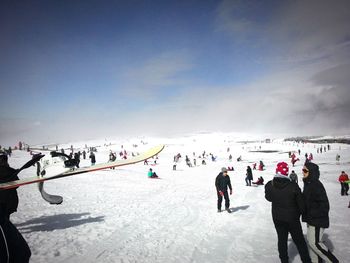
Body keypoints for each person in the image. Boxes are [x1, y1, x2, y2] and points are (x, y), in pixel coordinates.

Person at [265, 162, 311, 263]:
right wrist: (301, 213)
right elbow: (302, 205)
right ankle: (306, 261)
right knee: (299, 241)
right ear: (286, 172)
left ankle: (284, 261)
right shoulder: (293, 186)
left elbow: (268, 198)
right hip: (292, 219)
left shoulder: (270, 185)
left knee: (282, 240)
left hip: (277, 217)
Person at [302, 162, 339, 263]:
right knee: (311, 243)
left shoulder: (316, 185)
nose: (303, 172)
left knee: (315, 244)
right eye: (302, 170)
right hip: (311, 219)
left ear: (312, 172)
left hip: (317, 220)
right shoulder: (308, 183)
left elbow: (325, 205)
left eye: (305, 170)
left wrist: (312, 213)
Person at [0, 153, 19, 219]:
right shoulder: (11, 171)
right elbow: (17, 185)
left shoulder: (11, 171)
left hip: (7, 198)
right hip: (10, 198)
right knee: (6, 217)